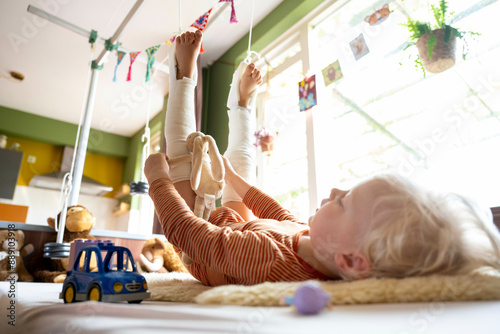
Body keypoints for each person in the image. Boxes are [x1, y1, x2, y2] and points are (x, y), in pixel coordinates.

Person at [145, 30, 500, 286]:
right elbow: (276, 214)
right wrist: (233, 179)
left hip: (204, 245)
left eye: (343, 203)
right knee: (241, 166)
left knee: (180, 155)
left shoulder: (271, 261)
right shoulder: (318, 241)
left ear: (350, 260)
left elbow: (189, 234)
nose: (332, 191)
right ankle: (241, 103)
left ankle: (184, 75)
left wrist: (157, 180)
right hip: (238, 226)